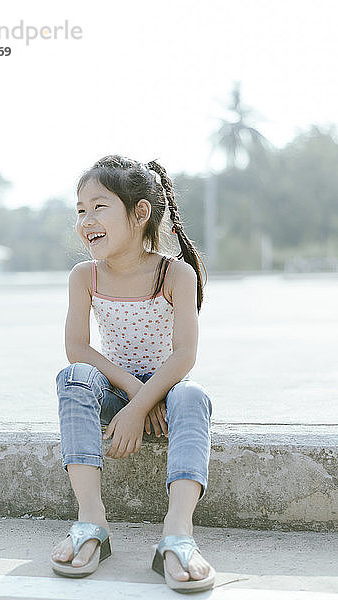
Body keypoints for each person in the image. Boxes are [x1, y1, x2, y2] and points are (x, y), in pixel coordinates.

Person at [50, 155, 215, 592]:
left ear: (140, 213)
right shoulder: (84, 276)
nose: (86, 220)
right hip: (118, 388)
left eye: (99, 207)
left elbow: (184, 355)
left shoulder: (173, 274)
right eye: (81, 209)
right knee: (74, 379)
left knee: (192, 396)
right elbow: (78, 350)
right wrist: (133, 396)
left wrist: (146, 402)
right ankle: (92, 522)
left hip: (167, 388)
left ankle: (177, 533)